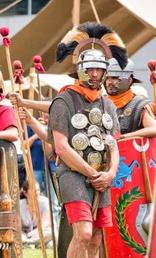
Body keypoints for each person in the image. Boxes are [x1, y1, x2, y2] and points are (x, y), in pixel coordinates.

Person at [48, 22, 124, 257]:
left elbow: (113, 144)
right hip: (73, 174)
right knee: (83, 233)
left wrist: (110, 173)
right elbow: (61, 147)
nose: (95, 74)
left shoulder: (108, 104)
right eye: (90, 69)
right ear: (80, 69)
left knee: (97, 238)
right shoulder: (64, 101)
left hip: (102, 176)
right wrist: (92, 175)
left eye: (99, 70)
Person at [105, 58, 156, 139]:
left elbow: (154, 129)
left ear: (129, 81)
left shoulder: (138, 104)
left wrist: (123, 137)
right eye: (107, 78)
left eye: (114, 78)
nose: (109, 82)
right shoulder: (101, 102)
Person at [20, 181, 56, 247]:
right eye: (33, 190)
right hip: (26, 234)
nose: (37, 193)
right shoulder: (20, 205)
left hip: (43, 232)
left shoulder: (45, 202)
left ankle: (28, 243)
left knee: (52, 234)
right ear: (25, 193)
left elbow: (43, 225)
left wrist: (30, 235)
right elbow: (18, 227)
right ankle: (35, 244)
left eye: (38, 190)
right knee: (18, 235)